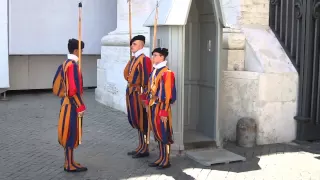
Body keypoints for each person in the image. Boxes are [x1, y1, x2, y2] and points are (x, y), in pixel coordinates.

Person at [57, 38, 87, 172]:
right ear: (76, 51)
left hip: (66, 103)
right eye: (81, 50)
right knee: (70, 133)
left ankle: (70, 161)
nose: (81, 53)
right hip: (71, 105)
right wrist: (80, 105)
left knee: (69, 132)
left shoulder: (64, 64)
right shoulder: (72, 66)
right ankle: (69, 164)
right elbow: (72, 90)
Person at [144, 47, 176, 169]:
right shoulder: (154, 71)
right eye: (153, 55)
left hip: (161, 107)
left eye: (156, 55)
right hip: (153, 106)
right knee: (157, 133)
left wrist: (164, 111)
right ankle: (161, 157)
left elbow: (167, 95)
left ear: (162, 57)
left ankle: (166, 159)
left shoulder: (167, 73)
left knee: (164, 133)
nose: (153, 57)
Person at [123, 35, 153, 158]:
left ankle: (145, 148)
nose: (132, 46)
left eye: (134, 44)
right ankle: (140, 145)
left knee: (143, 121)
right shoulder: (134, 59)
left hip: (139, 94)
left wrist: (145, 97)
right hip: (131, 92)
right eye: (131, 44)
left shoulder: (144, 60)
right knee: (136, 119)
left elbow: (146, 79)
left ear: (141, 45)